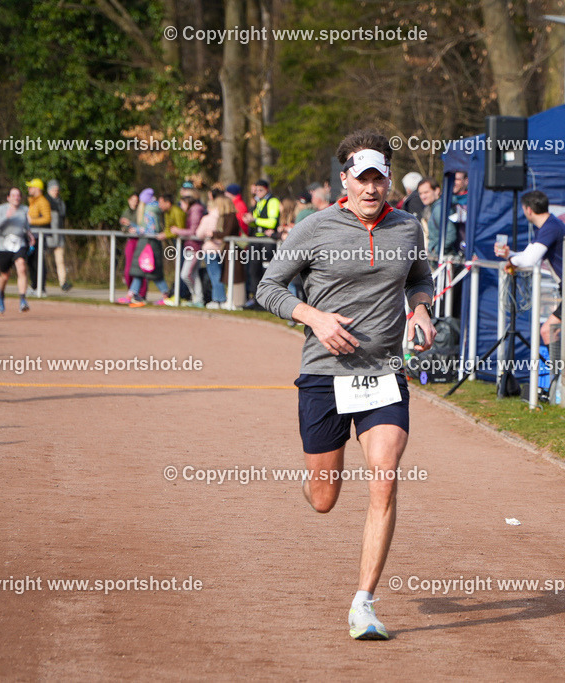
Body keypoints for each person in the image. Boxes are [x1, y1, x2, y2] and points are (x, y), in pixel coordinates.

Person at [256, 130, 435, 640]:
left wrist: (421, 309)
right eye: (363, 179)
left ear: (389, 180)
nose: (372, 188)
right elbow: (268, 287)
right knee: (324, 498)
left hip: (382, 372)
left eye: (380, 178)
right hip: (323, 375)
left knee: (385, 473)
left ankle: (364, 603)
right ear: (345, 181)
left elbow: (419, 279)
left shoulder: (409, 228)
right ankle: (315, 480)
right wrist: (314, 317)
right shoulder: (314, 228)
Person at [494, 190, 565, 345]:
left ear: (528, 209)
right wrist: (510, 255)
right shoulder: (548, 226)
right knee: (550, 331)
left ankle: (557, 370)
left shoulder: (550, 227)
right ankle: (557, 369)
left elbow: (528, 260)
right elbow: (528, 255)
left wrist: (512, 261)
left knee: (548, 331)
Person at [122, 188, 172, 307]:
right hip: (147, 243)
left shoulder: (149, 210)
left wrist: (136, 229)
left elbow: (151, 229)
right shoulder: (153, 208)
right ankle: (131, 295)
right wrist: (131, 224)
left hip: (149, 244)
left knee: (153, 273)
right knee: (140, 272)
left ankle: (167, 295)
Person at [0, 187, 35, 313]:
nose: (16, 197)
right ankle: (0, 294)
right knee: (5, 275)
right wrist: (6, 217)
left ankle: (22, 300)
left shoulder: (24, 210)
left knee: (21, 267)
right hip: (4, 245)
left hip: (19, 243)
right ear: (8, 197)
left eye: (18, 195)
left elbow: (26, 227)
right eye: (13, 195)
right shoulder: (1, 209)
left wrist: (30, 236)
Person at [197, 192, 239, 309]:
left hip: (212, 250)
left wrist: (211, 234)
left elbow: (199, 233)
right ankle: (219, 298)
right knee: (219, 275)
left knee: (215, 275)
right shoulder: (221, 218)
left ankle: (219, 299)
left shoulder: (212, 218)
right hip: (220, 249)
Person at [245, 179, 281, 309]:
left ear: (266, 190)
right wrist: (250, 221)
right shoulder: (259, 202)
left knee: (266, 272)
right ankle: (255, 299)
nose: (258, 193)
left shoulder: (273, 201)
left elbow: (271, 223)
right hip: (256, 240)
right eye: (257, 190)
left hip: (267, 242)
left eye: (261, 190)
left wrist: (255, 220)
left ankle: (267, 301)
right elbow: (259, 221)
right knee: (253, 271)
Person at [175, 188, 205, 307]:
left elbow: (193, 230)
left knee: (185, 274)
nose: (181, 206)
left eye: (182, 203)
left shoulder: (195, 210)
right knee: (193, 274)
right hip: (192, 246)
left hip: (194, 247)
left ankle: (197, 297)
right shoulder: (193, 210)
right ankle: (198, 299)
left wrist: (178, 231)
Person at [118, 190, 147, 301]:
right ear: (129, 200)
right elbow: (123, 227)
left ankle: (141, 294)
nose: (135, 203)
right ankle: (131, 292)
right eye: (133, 200)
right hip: (131, 241)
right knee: (128, 270)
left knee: (141, 269)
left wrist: (131, 225)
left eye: (137, 201)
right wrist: (126, 228)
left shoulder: (141, 212)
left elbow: (142, 226)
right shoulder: (126, 212)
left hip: (141, 241)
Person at [25, 178, 51, 292]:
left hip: (39, 236)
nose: (28, 189)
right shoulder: (33, 201)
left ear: (37, 189)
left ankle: (41, 288)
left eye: (31, 187)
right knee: (31, 261)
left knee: (38, 261)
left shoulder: (43, 201)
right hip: (32, 236)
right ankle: (34, 285)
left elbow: (47, 218)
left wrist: (31, 221)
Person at [45, 179, 71, 291]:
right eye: (53, 189)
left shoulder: (61, 202)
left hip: (59, 235)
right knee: (42, 259)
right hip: (48, 236)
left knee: (60, 260)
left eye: (57, 189)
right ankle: (39, 281)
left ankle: (63, 283)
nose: (56, 191)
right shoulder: (45, 201)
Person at [418, 177, 444, 261]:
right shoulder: (430, 209)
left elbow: (450, 235)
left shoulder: (439, 209)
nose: (423, 196)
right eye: (420, 193)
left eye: (426, 192)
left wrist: (434, 251)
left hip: (443, 260)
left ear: (437, 190)